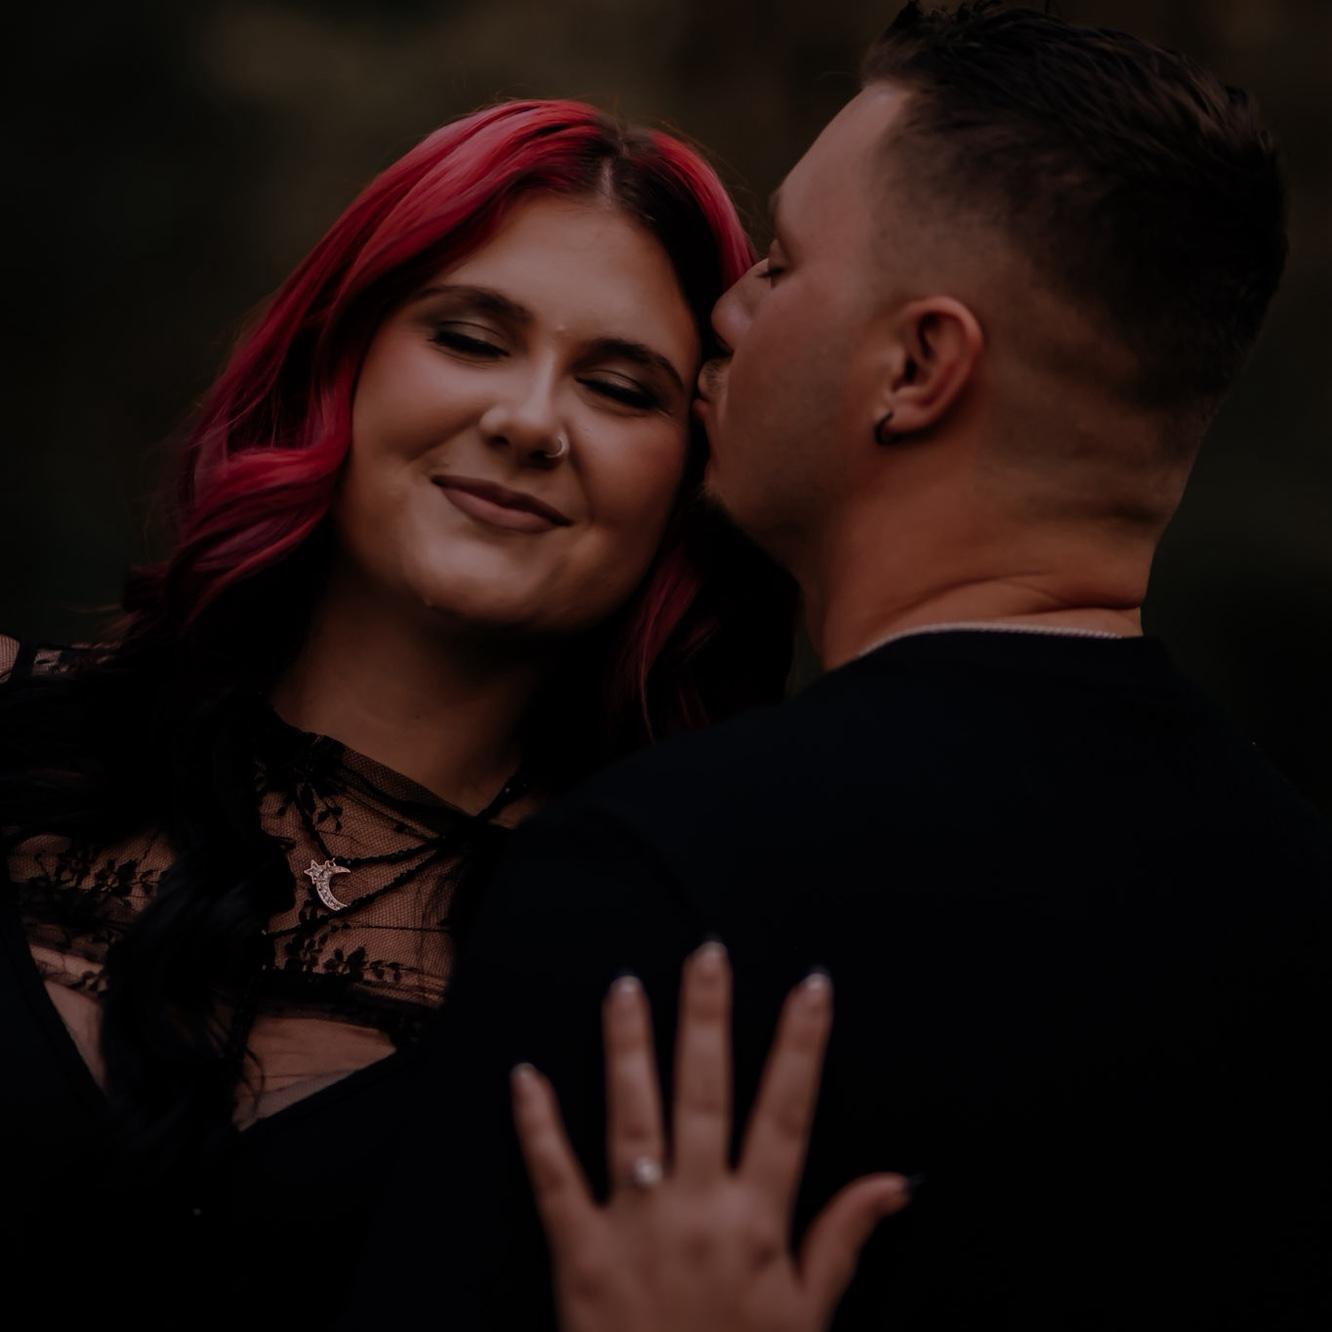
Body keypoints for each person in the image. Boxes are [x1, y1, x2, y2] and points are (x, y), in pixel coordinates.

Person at [344, 5, 1332, 1330]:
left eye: (781, 265)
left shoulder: (665, 882)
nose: (727, 311)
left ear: (917, 368)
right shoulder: (1302, 900)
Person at [0, 100, 797, 1319]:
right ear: (342, 362)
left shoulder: (659, 971)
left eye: (619, 387)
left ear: (692, 480)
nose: (529, 421)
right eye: (471, 338)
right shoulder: (13, 729)